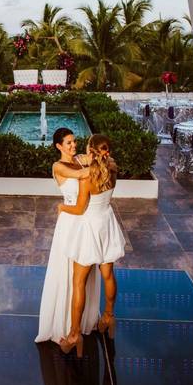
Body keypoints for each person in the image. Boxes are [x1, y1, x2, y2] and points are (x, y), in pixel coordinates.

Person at [58, 134, 126, 356]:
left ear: (91, 150)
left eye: (87, 147)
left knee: (79, 282)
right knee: (108, 274)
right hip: (107, 221)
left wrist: (61, 208)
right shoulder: (112, 168)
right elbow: (102, 162)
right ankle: (108, 316)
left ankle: (74, 335)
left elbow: (78, 209)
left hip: (90, 227)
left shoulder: (87, 178)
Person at [35, 128, 102, 345]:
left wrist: (91, 158)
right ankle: (64, 324)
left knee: (85, 274)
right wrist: (94, 162)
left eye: (74, 142)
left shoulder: (80, 160)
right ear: (59, 146)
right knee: (68, 273)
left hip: (87, 221)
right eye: (69, 143)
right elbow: (83, 175)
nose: (73, 146)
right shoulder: (58, 166)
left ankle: (81, 322)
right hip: (71, 221)